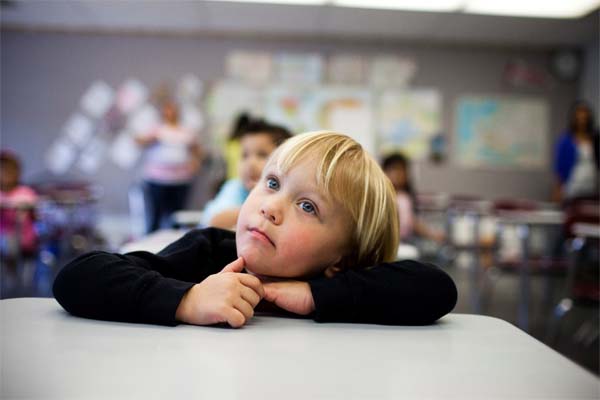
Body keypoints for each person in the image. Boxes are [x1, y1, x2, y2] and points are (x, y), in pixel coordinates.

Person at [53, 131, 457, 328]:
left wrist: (317, 296)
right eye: (273, 183)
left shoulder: (342, 280)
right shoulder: (212, 252)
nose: (271, 207)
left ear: (342, 258)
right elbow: (77, 278)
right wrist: (187, 300)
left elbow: (437, 290)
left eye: (307, 206)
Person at [200, 117, 292, 229]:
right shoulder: (235, 187)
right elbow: (215, 221)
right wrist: (259, 204)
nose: (250, 163)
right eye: (245, 155)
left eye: (262, 155)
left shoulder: (288, 193)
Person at [136, 100, 203, 233]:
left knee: (177, 217)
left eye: (172, 109)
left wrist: (196, 162)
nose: (170, 112)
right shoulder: (156, 129)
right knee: (155, 215)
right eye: (167, 109)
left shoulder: (186, 131)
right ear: (163, 112)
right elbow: (139, 142)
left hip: (180, 180)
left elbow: (197, 151)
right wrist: (150, 138)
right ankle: (149, 245)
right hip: (157, 180)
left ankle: (175, 245)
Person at [382, 153, 445, 243]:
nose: (398, 174)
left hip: (405, 242)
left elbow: (411, 221)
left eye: (402, 170)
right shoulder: (383, 197)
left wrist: (432, 234)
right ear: (384, 172)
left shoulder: (406, 197)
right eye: (394, 169)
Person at [552, 100, 600, 204]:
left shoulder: (595, 138)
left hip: (591, 187)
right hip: (572, 188)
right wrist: (557, 191)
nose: (582, 118)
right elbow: (560, 168)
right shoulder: (565, 140)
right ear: (574, 118)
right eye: (579, 115)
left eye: (584, 115)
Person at [0, 150, 38, 259]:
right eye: (2, 169)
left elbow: (35, 216)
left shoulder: (26, 192)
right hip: (4, 243)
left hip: (26, 241)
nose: (6, 173)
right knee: (8, 242)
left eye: (10, 169)